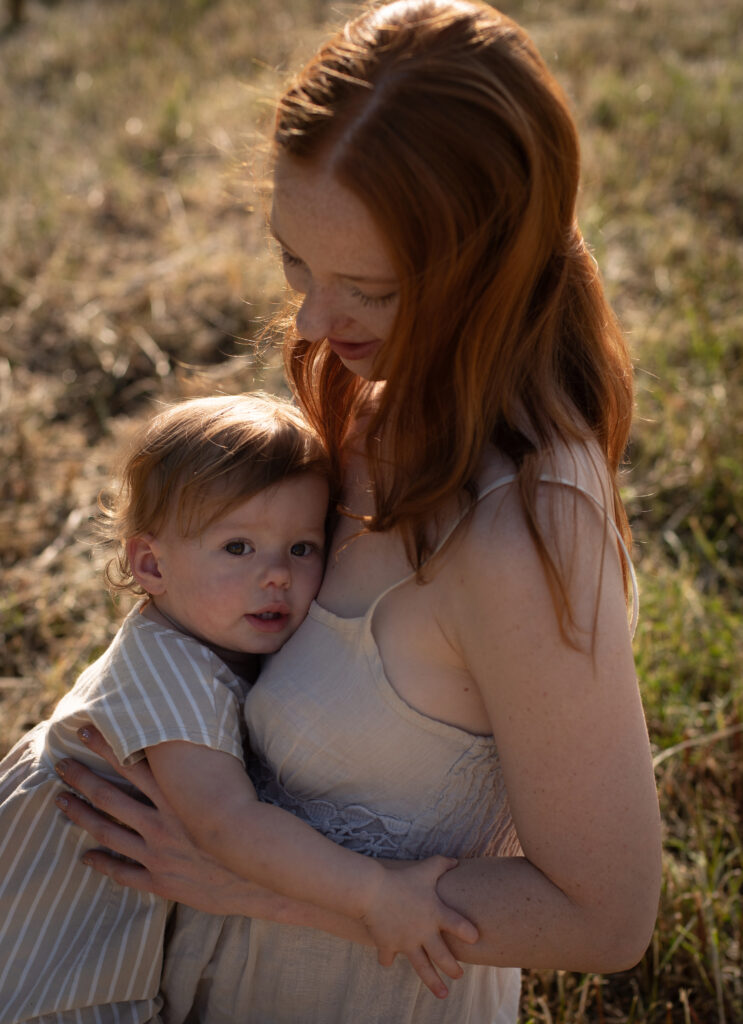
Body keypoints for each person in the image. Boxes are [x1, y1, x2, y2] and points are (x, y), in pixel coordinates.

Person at [54, 1, 663, 1022]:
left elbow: (604, 917)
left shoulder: (520, 530)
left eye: (368, 291)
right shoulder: (375, 394)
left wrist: (240, 877)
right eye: (296, 261)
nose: (309, 321)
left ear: (488, 271)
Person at [0, 392, 479, 1024]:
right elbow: (227, 826)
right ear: (150, 563)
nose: (276, 574)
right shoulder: (169, 674)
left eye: (302, 548)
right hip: (58, 978)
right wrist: (375, 893)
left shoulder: (210, 638)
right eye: (237, 548)